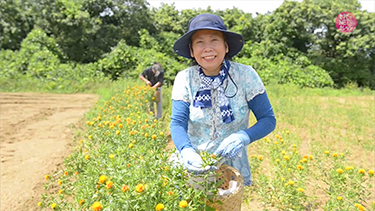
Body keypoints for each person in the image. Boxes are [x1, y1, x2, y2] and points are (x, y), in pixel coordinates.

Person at [169, 13, 276, 186]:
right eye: (200, 42)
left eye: (214, 40)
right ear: (191, 51)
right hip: (193, 163)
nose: (208, 48)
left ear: (226, 46)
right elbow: (177, 123)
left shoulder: (245, 75)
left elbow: (268, 120)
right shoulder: (184, 78)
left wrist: (243, 137)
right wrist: (186, 151)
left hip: (230, 167)